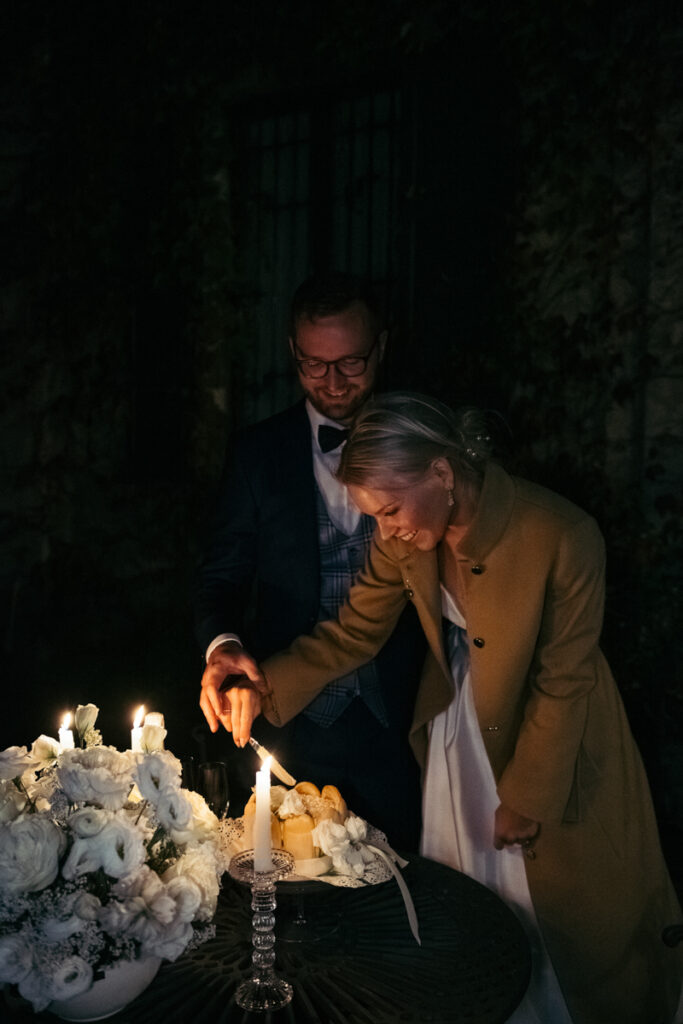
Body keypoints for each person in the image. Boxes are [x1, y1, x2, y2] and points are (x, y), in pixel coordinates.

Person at [205, 393, 683, 1024]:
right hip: (461, 734)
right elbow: (355, 633)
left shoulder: (563, 535)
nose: (388, 531)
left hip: (558, 739)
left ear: (442, 472)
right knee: (470, 906)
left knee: (573, 911)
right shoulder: (403, 542)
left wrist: (529, 794)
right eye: (374, 516)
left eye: (393, 510)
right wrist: (260, 686)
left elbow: (563, 679)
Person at [195, 275, 425, 850]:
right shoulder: (257, 454)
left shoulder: (423, 443)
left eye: (350, 362)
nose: (333, 382)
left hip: (405, 713)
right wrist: (223, 645)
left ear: (382, 346)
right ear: (293, 353)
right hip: (290, 720)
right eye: (313, 365)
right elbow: (219, 578)